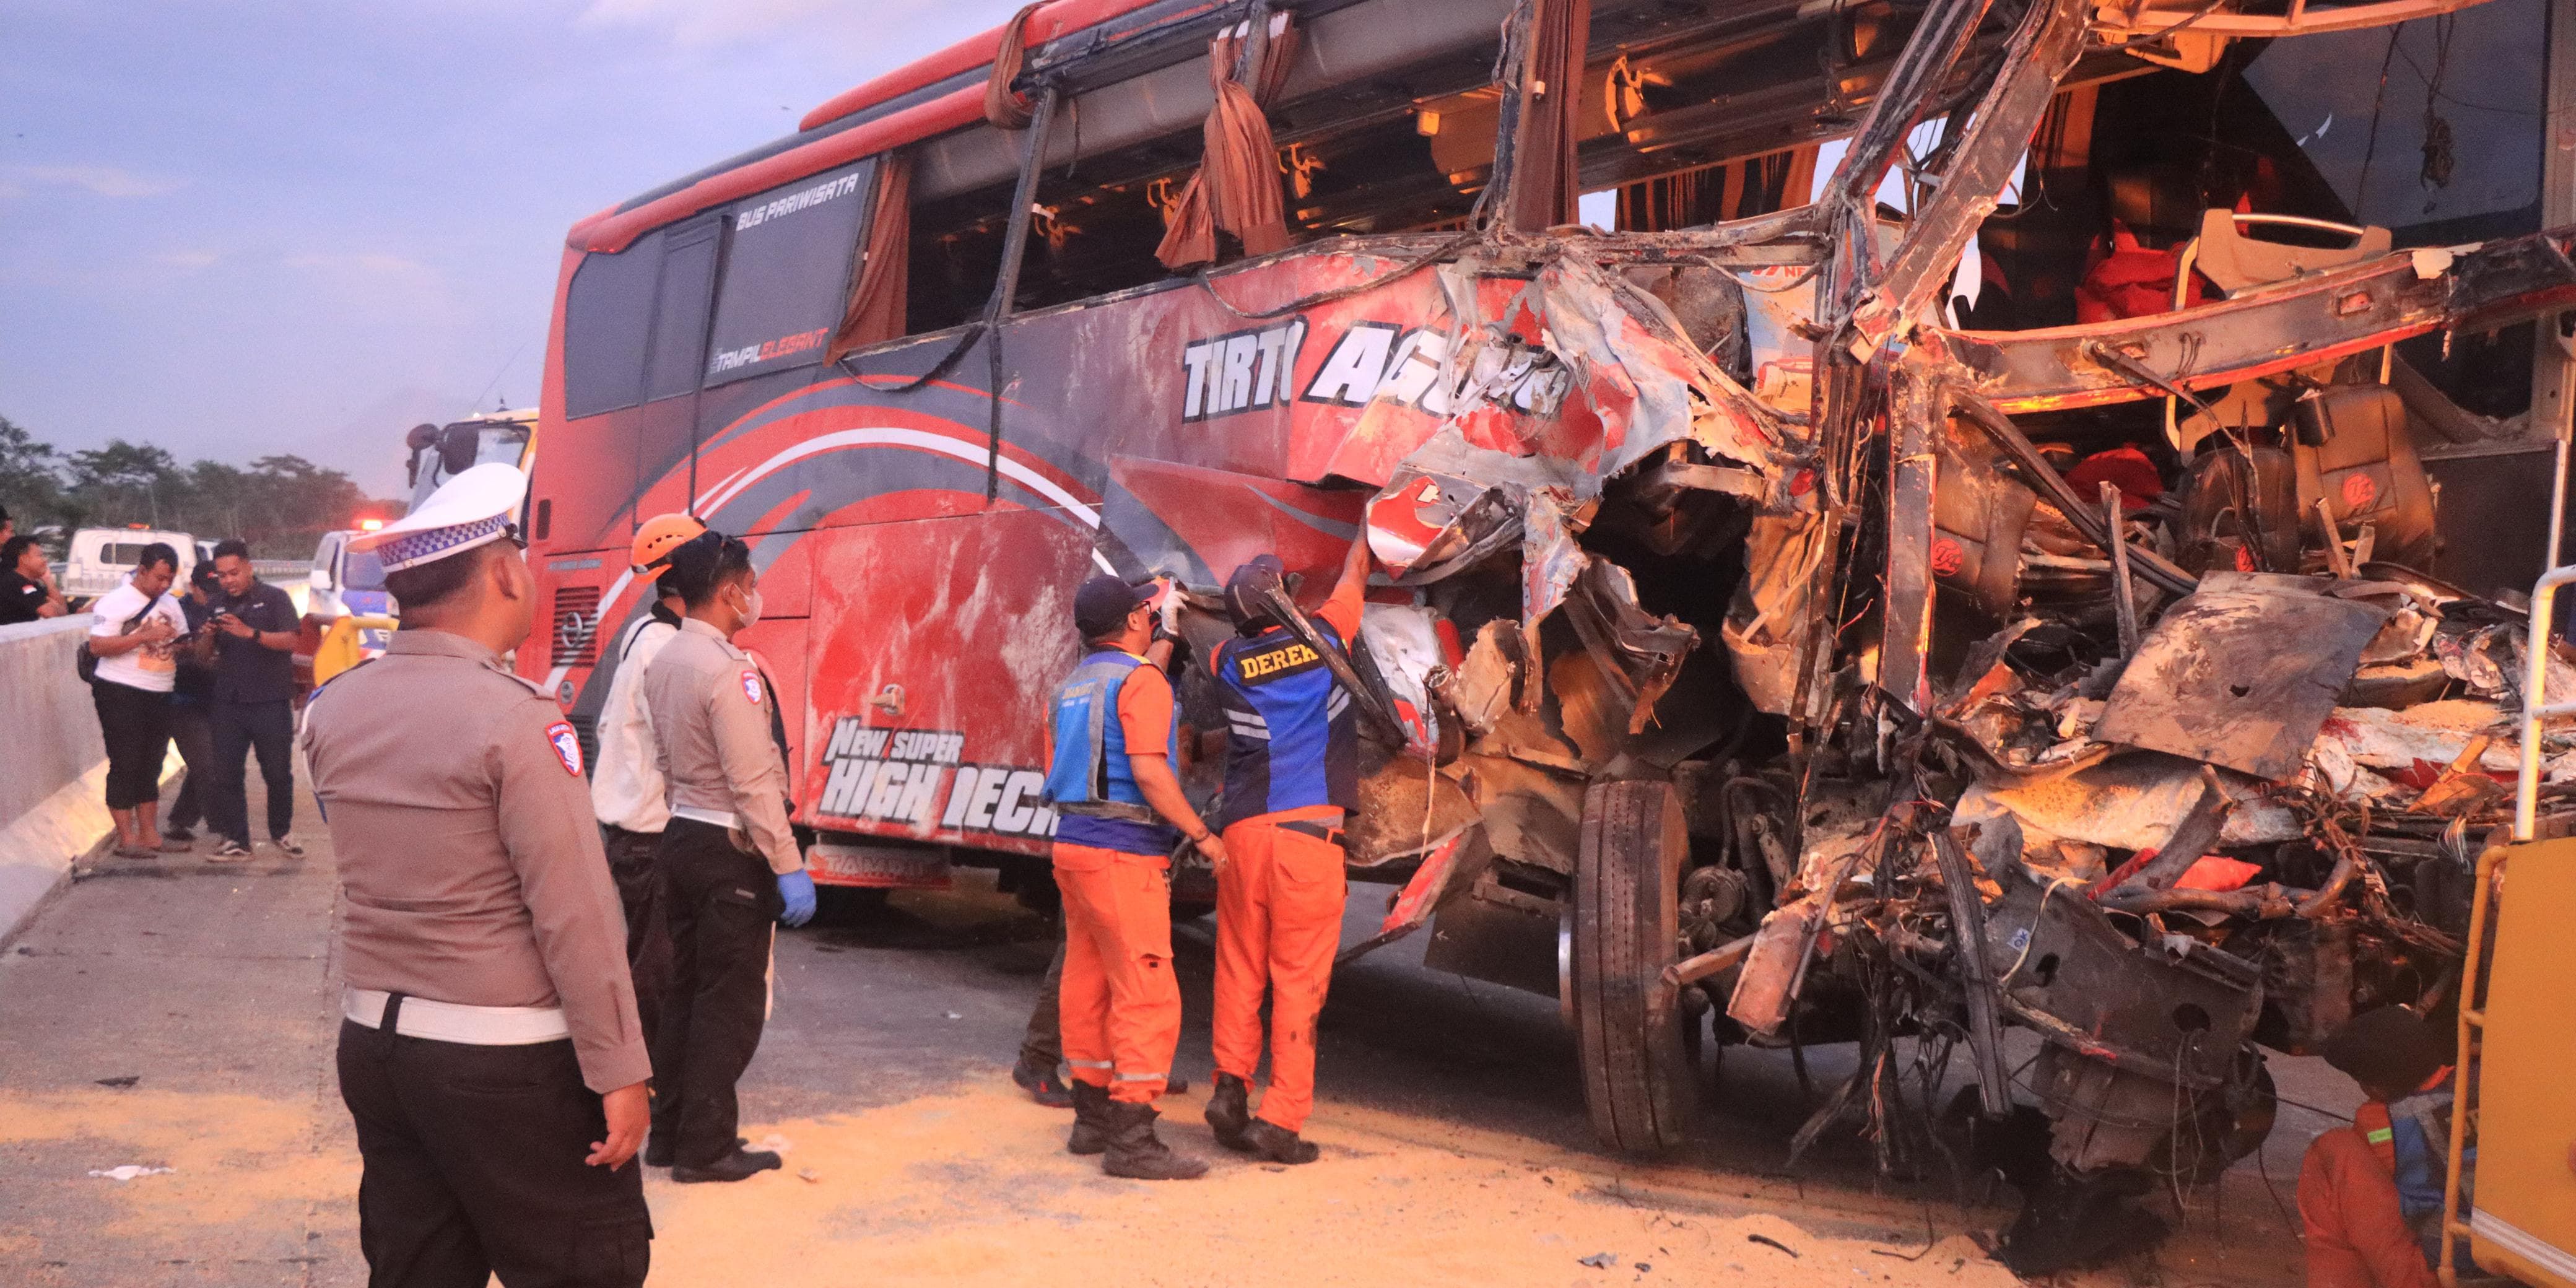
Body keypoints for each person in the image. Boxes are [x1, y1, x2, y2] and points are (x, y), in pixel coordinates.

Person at [303, 463, 653, 1287]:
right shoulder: (517, 719)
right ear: (502, 570)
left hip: (379, 1046)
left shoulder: (334, 707)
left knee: (419, 1268)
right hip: (505, 1060)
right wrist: (620, 1069)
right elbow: (576, 917)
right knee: (584, 1266)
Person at [1037, 573, 1224, 1180]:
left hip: (1073, 848)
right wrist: (1200, 833)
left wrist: (1163, 639)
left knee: (1086, 982)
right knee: (1147, 992)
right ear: (1135, 621)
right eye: (1148, 611)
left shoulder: (1072, 684)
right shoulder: (1141, 684)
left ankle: (1090, 1119)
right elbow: (1147, 769)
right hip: (1124, 855)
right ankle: (1133, 1140)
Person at [640, 528, 813, 1183]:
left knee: (685, 990)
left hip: (681, 833)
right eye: (752, 586)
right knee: (728, 1004)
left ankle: (670, 1133)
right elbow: (752, 780)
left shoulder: (666, 661)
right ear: (730, 591)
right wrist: (787, 861)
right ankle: (706, 1147)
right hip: (727, 849)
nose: (757, 596)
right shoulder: (727, 671)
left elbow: (663, 757)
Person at [1202, 535, 1372, 1165]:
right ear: (1282, 601)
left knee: (1239, 967)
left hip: (1242, 832)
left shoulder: (1223, 657)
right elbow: (1358, 566)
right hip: (1307, 837)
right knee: (1297, 982)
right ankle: (1279, 1123)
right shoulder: (1324, 634)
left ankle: (1228, 1089)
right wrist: (1367, 517)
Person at [591, 513, 705, 1058]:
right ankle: (645, 1081)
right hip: (652, 835)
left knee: (654, 961)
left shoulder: (648, 632)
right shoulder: (664, 647)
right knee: (658, 969)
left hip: (636, 831)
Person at [2300, 1006, 2466, 1288]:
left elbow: (2365, 1193)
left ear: (2376, 1088)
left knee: (2332, 1151)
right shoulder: (2477, 1085)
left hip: (2438, 1272)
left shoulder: (2378, 1119)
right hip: (2507, 1258)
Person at [84, 543, 189, 858]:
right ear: (142, 571)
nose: (163, 585)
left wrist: (176, 642)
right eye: (158, 578)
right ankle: (126, 837)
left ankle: (149, 834)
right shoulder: (115, 602)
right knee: (125, 760)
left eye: (169, 579)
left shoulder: (171, 603)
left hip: (160, 689)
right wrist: (143, 637)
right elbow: (98, 646)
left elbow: (182, 642)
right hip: (120, 689)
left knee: (152, 761)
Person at [205, 539, 305, 859]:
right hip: (228, 702)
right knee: (228, 773)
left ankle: (282, 831)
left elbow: (292, 640)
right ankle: (236, 840)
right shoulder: (216, 603)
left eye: (234, 573)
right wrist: (206, 636)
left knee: (277, 772)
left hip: (270, 700)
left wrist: (253, 634)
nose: (228, 581)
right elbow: (202, 657)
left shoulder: (274, 599)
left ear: (249, 567)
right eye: (222, 576)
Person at [162, 562, 224, 853]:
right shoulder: (177, 612)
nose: (212, 597)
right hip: (183, 700)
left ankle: (180, 821)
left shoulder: (226, 608)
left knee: (210, 761)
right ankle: (225, 825)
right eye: (206, 591)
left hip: (217, 698)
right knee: (206, 764)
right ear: (193, 587)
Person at [0, 533, 66, 625]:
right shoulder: (15, 582)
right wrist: (54, 605)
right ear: (24, 559)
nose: (45, 560)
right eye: (40, 556)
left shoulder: (32, 584)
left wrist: (49, 581)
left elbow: (64, 613)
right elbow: (52, 613)